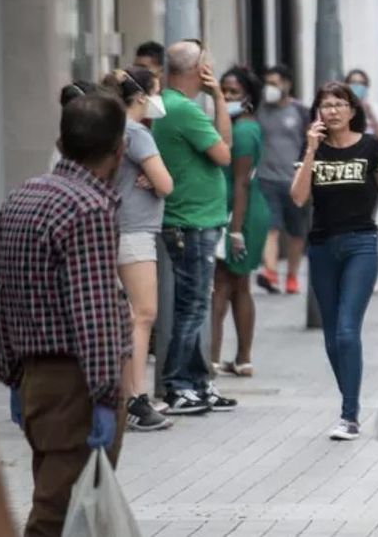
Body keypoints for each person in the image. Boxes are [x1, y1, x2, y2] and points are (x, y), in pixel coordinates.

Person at [0, 94, 131, 536]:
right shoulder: (89, 208)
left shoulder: (21, 198)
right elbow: (94, 312)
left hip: (35, 378)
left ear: (61, 140)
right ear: (120, 148)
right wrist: (106, 394)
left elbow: (6, 294)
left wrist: (11, 372)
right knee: (60, 511)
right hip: (76, 380)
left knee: (56, 496)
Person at [290, 82, 378, 441]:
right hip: (322, 247)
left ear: (353, 111)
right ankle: (348, 399)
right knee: (332, 337)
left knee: (348, 329)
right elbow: (299, 197)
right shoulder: (313, 148)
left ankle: (349, 415)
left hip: (361, 245)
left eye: (339, 104)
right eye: (326, 105)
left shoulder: (369, 146)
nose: (332, 111)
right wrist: (310, 149)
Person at [152, 39, 239, 415]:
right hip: (191, 222)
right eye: (207, 61)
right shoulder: (183, 109)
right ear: (196, 69)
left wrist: (216, 96)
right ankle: (177, 385)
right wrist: (218, 98)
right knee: (192, 307)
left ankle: (198, 382)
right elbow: (224, 152)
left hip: (196, 220)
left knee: (197, 304)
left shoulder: (171, 107)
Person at [108, 68, 176, 431]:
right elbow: (166, 183)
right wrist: (157, 179)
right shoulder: (136, 132)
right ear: (141, 97)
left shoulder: (109, 126)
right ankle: (135, 398)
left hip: (110, 227)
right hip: (134, 230)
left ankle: (123, 395)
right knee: (143, 314)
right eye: (156, 92)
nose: (159, 100)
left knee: (122, 314)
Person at [211, 67, 270, 379]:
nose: (226, 97)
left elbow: (242, 182)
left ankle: (213, 359)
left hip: (241, 214)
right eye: (223, 90)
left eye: (233, 92)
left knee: (222, 285)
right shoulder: (234, 125)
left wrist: (235, 230)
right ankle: (240, 359)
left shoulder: (244, 131)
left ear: (248, 97)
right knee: (237, 285)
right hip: (239, 210)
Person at [255, 64, 311, 295]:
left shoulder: (300, 111)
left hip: (296, 181)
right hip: (266, 179)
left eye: (275, 83)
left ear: (287, 84)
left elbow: (311, 144)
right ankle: (270, 272)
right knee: (271, 228)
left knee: (297, 233)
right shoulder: (260, 110)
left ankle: (291, 276)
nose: (271, 88)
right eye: (268, 83)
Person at [346, 68, 378, 144]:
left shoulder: (375, 108)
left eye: (361, 83)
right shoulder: (340, 108)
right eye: (353, 82)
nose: (357, 86)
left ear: (366, 87)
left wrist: (371, 116)